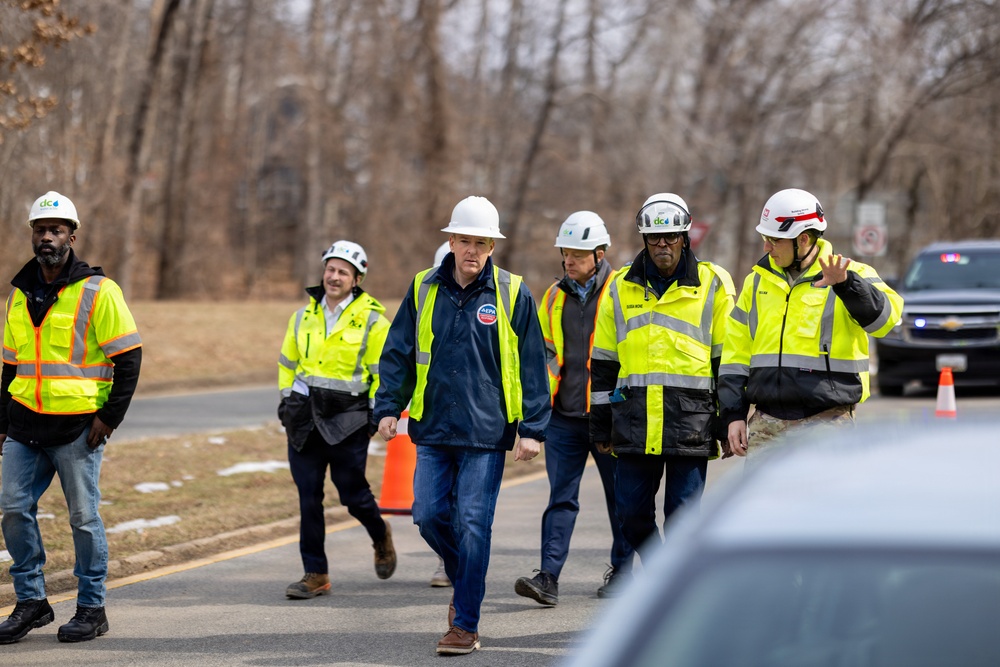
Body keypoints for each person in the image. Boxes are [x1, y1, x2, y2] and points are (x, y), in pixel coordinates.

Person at [374, 195, 549, 655]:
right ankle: (465, 575)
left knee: (473, 524)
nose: (473, 250)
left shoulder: (513, 293)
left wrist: (532, 428)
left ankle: (464, 623)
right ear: (451, 241)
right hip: (432, 428)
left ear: (493, 247)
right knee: (428, 515)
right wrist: (388, 406)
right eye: (465, 240)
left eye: (482, 243)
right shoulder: (422, 288)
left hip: (486, 433)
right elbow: (398, 354)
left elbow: (532, 366)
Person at [0, 191, 142, 644]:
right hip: (25, 424)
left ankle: (91, 607)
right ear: (32, 235)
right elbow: (10, 365)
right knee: (13, 508)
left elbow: (130, 358)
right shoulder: (19, 294)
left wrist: (109, 418)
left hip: (78, 427)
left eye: (56, 229)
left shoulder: (99, 290)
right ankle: (32, 603)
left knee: (83, 518)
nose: (47, 237)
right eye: (40, 229)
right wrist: (1, 421)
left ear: (72, 236)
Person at [590, 193, 735, 562]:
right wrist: (600, 423)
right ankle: (662, 574)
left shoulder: (714, 284)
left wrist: (728, 418)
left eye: (671, 237)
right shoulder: (621, 286)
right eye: (655, 238)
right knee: (630, 513)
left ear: (685, 237)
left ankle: (672, 588)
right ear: (644, 239)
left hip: (691, 422)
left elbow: (727, 360)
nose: (662, 245)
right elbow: (604, 361)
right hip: (634, 421)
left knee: (683, 520)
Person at [718, 188, 903, 463]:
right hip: (767, 424)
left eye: (774, 240)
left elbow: (886, 320)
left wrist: (847, 285)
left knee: (826, 506)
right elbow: (736, 354)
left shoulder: (853, 274)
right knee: (764, 507)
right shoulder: (756, 283)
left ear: (803, 239)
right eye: (765, 239)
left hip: (827, 424)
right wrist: (733, 415)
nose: (766, 247)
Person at [514, 211, 634, 606]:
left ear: (600, 254)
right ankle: (547, 577)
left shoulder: (624, 290)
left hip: (610, 417)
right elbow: (545, 354)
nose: (569, 260)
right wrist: (540, 410)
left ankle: (623, 571)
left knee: (622, 500)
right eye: (566, 252)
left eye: (578, 254)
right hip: (564, 419)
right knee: (560, 498)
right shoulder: (552, 297)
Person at [277, 240, 396, 599]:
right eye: (330, 268)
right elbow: (287, 365)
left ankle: (380, 534)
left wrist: (375, 416)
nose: (334, 276)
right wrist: (286, 404)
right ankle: (315, 573)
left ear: (356, 279)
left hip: (349, 419)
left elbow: (383, 374)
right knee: (308, 497)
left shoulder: (375, 321)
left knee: (353, 496)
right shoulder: (302, 316)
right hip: (304, 417)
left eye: (343, 271)